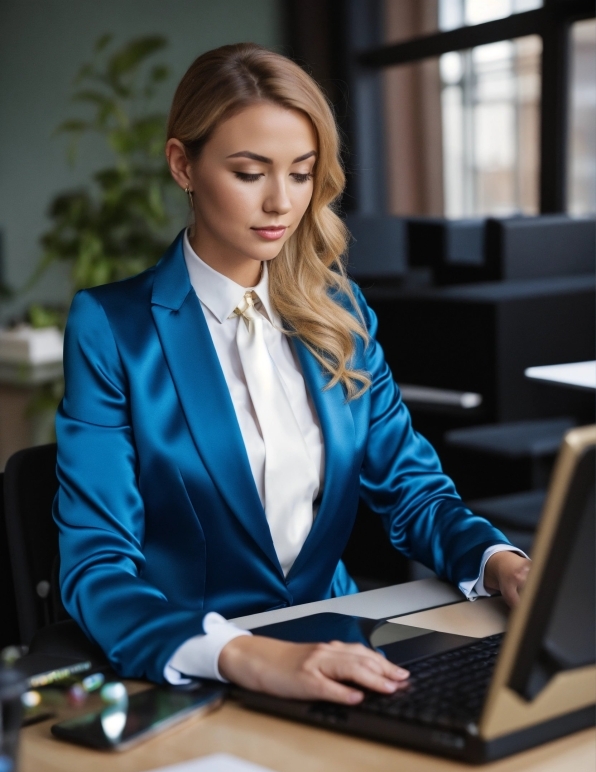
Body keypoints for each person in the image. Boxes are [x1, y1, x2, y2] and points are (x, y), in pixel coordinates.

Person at [55, 43, 530, 705]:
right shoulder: (112, 327)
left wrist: (501, 562)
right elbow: (96, 564)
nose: (281, 201)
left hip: (344, 656)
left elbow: (413, 491)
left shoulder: (338, 312)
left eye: (302, 173)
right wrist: (245, 656)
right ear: (182, 165)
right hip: (199, 672)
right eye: (250, 172)